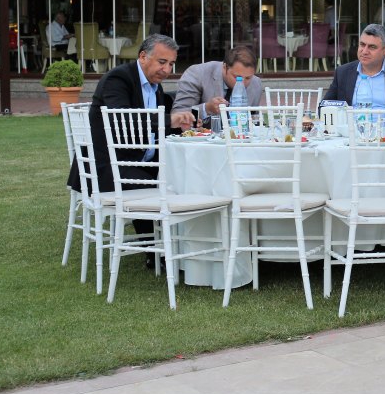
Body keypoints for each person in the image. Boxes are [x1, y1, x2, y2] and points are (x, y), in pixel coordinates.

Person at [67, 34, 194, 261]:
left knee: (183, 176)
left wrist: (184, 126)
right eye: (162, 62)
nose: (167, 70)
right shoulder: (118, 79)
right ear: (143, 56)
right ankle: (157, 252)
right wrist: (168, 119)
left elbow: (154, 129)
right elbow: (123, 120)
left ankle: (181, 246)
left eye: (171, 64)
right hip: (106, 166)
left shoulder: (155, 87)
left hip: (137, 161)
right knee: (157, 184)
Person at [323, 23, 385, 108]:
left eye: (372, 47)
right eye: (362, 45)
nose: (365, 51)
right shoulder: (343, 72)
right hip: (352, 118)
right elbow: (324, 106)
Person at [172, 44, 263, 127]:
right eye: (237, 77)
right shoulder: (197, 74)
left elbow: (254, 120)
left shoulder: (256, 83)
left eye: (248, 78)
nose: (242, 83)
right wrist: (206, 109)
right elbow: (178, 114)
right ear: (224, 67)